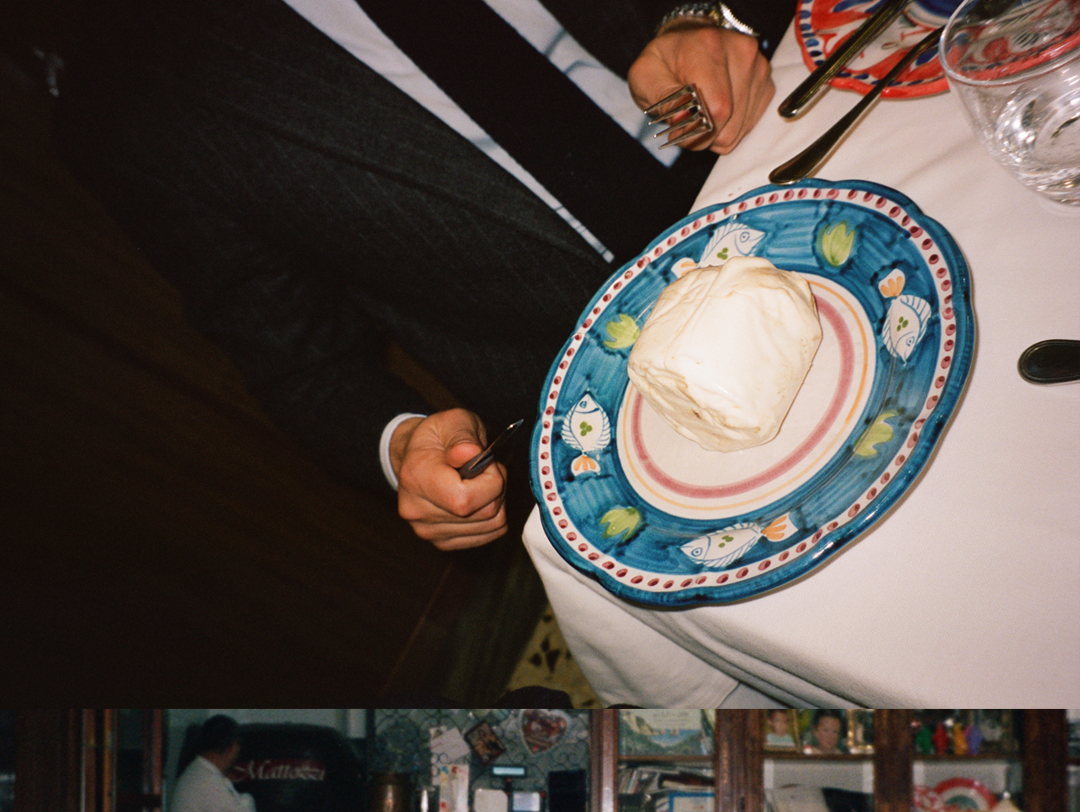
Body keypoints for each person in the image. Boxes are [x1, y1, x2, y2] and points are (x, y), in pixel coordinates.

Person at [52, 0, 796, 552]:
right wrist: (403, 444)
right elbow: (305, 369)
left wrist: (710, 16)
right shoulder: (125, 101)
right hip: (617, 385)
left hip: (782, 133)